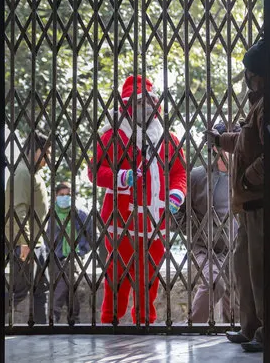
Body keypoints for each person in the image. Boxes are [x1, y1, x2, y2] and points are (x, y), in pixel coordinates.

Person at [89, 75, 187, 325]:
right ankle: (110, 320)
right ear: (126, 106)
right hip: (121, 218)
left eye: (147, 101)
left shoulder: (168, 138)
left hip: (155, 220)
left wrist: (176, 193)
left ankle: (145, 321)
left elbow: (179, 172)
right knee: (117, 274)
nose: (143, 107)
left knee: (150, 275)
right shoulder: (113, 135)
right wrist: (123, 177)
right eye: (137, 102)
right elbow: (95, 171)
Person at [207, 39, 265, 352]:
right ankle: (250, 326)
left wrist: (245, 178)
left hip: (259, 204)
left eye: (251, 74)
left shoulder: (268, 105)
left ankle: (265, 331)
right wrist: (219, 139)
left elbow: (269, 154)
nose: (247, 79)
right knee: (245, 268)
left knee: (259, 271)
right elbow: (246, 143)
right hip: (248, 206)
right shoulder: (258, 104)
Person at [174, 122, 240, 324]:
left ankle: (235, 330)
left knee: (236, 296)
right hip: (206, 247)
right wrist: (197, 232)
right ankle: (193, 326)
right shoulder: (197, 176)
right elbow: (177, 214)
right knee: (215, 283)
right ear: (215, 147)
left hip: (236, 246)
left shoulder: (242, 175)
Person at [4, 131, 51, 324]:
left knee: (42, 289)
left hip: (37, 242)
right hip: (27, 243)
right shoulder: (22, 173)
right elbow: (18, 209)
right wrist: (23, 242)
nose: (48, 159)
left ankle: (42, 331)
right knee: (20, 291)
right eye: (46, 153)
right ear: (36, 151)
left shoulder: (32, 174)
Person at [47, 182, 93, 323]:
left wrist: (80, 250)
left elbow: (92, 236)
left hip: (73, 259)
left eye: (68, 195)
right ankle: (74, 320)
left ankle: (53, 318)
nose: (64, 198)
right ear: (55, 196)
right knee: (69, 288)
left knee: (63, 286)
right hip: (54, 259)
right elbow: (44, 236)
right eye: (61, 195)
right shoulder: (50, 215)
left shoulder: (81, 214)